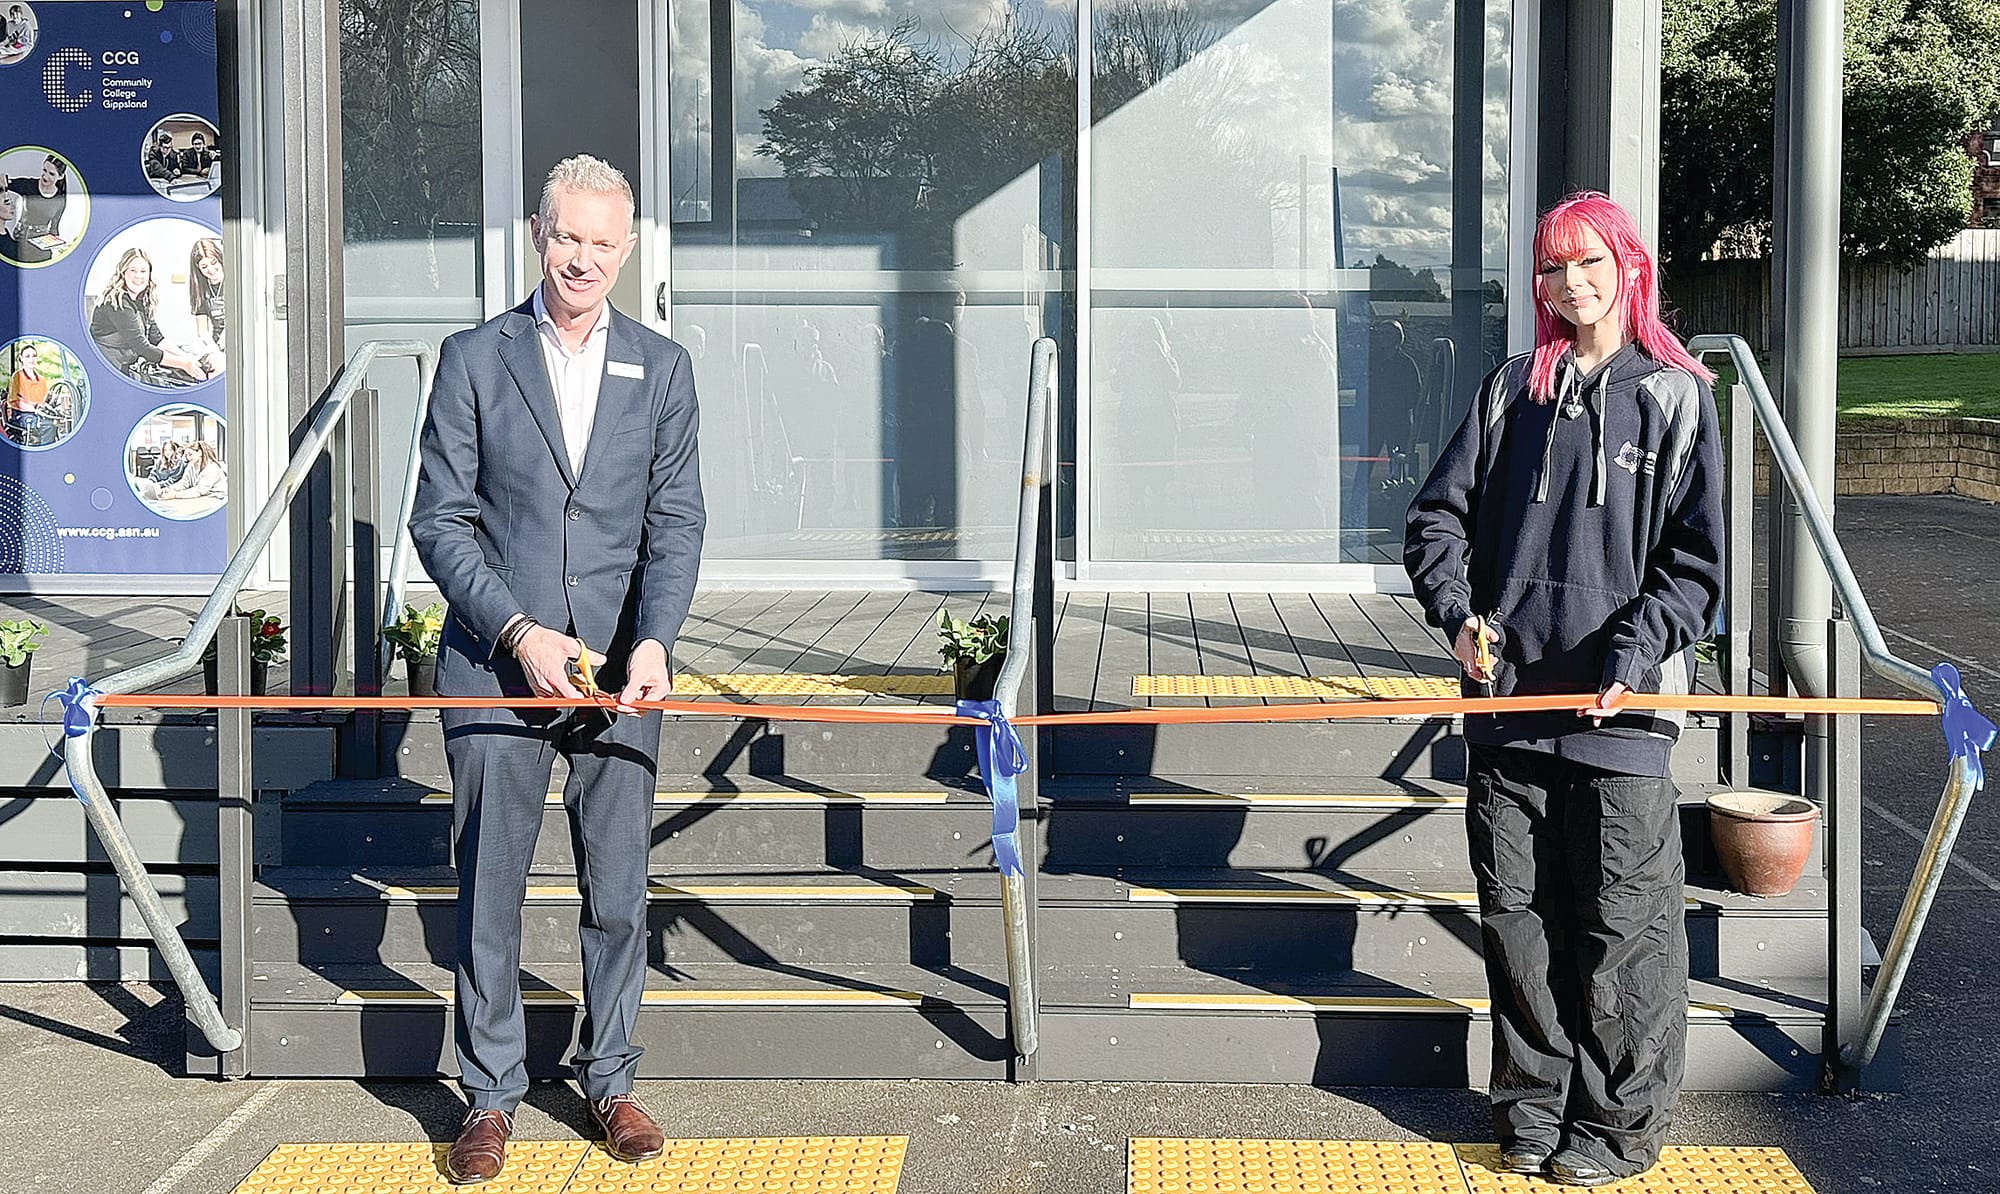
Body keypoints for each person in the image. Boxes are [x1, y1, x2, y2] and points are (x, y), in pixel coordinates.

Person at [1403, 191, 1723, 1188]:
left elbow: (1698, 570)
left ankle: (1618, 1128)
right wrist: (1458, 615)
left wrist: (1635, 651)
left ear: (1629, 268)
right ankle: (1533, 1109)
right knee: (1517, 921)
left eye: (1588, 262)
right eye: (1551, 266)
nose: (1569, 282)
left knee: (1623, 931)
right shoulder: (1511, 390)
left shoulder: (1677, 395)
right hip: (1506, 709)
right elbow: (1435, 520)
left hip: (1619, 716)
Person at [409, 154, 704, 1187]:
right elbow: (440, 522)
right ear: (538, 235)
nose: (583, 258)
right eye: (567, 236)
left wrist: (655, 639)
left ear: (627, 249)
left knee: (617, 889)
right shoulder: (473, 359)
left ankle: (609, 1079)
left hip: (621, 673)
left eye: (602, 242)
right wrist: (518, 631)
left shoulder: (662, 367)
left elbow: (674, 522)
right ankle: (489, 1095)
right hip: (498, 666)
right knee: (488, 891)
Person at [89, 247, 212, 384]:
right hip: (105, 368)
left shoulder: (142, 300)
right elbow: (142, 347)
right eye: (133, 270)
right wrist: (184, 364)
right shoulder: (118, 303)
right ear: (123, 273)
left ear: (149, 275)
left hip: (123, 365)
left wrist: (187, 358)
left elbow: (157, 338)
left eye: (143, 271)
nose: (138, 276)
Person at [2, 155, 70, 265]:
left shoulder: (60, 200)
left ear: (60, 176)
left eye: (51, 174)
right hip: (20, 239)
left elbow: (54, 230)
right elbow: (5, 182)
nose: (45, 176)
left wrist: (58, 245)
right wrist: (3, 178)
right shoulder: (29, 185)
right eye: (44, 170)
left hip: (40, 247)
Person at [6, 341, 48, 445]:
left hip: (38, 414)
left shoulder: (42, 380)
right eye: (27, 356)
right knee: (40, 425)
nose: (31, 359)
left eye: (34, 356)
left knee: (51, 424)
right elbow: (16, 402)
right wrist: (34, 409)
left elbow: (44, 400)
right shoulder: (17, 377)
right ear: (21, 358)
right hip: (21, 415)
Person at [189, 238, 226, 348]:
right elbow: (202, 331)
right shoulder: (200, 289)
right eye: (204, 267)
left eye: (213, 263)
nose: (211, 269)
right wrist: (213, 349)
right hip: (217, 344)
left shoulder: (234, 280)